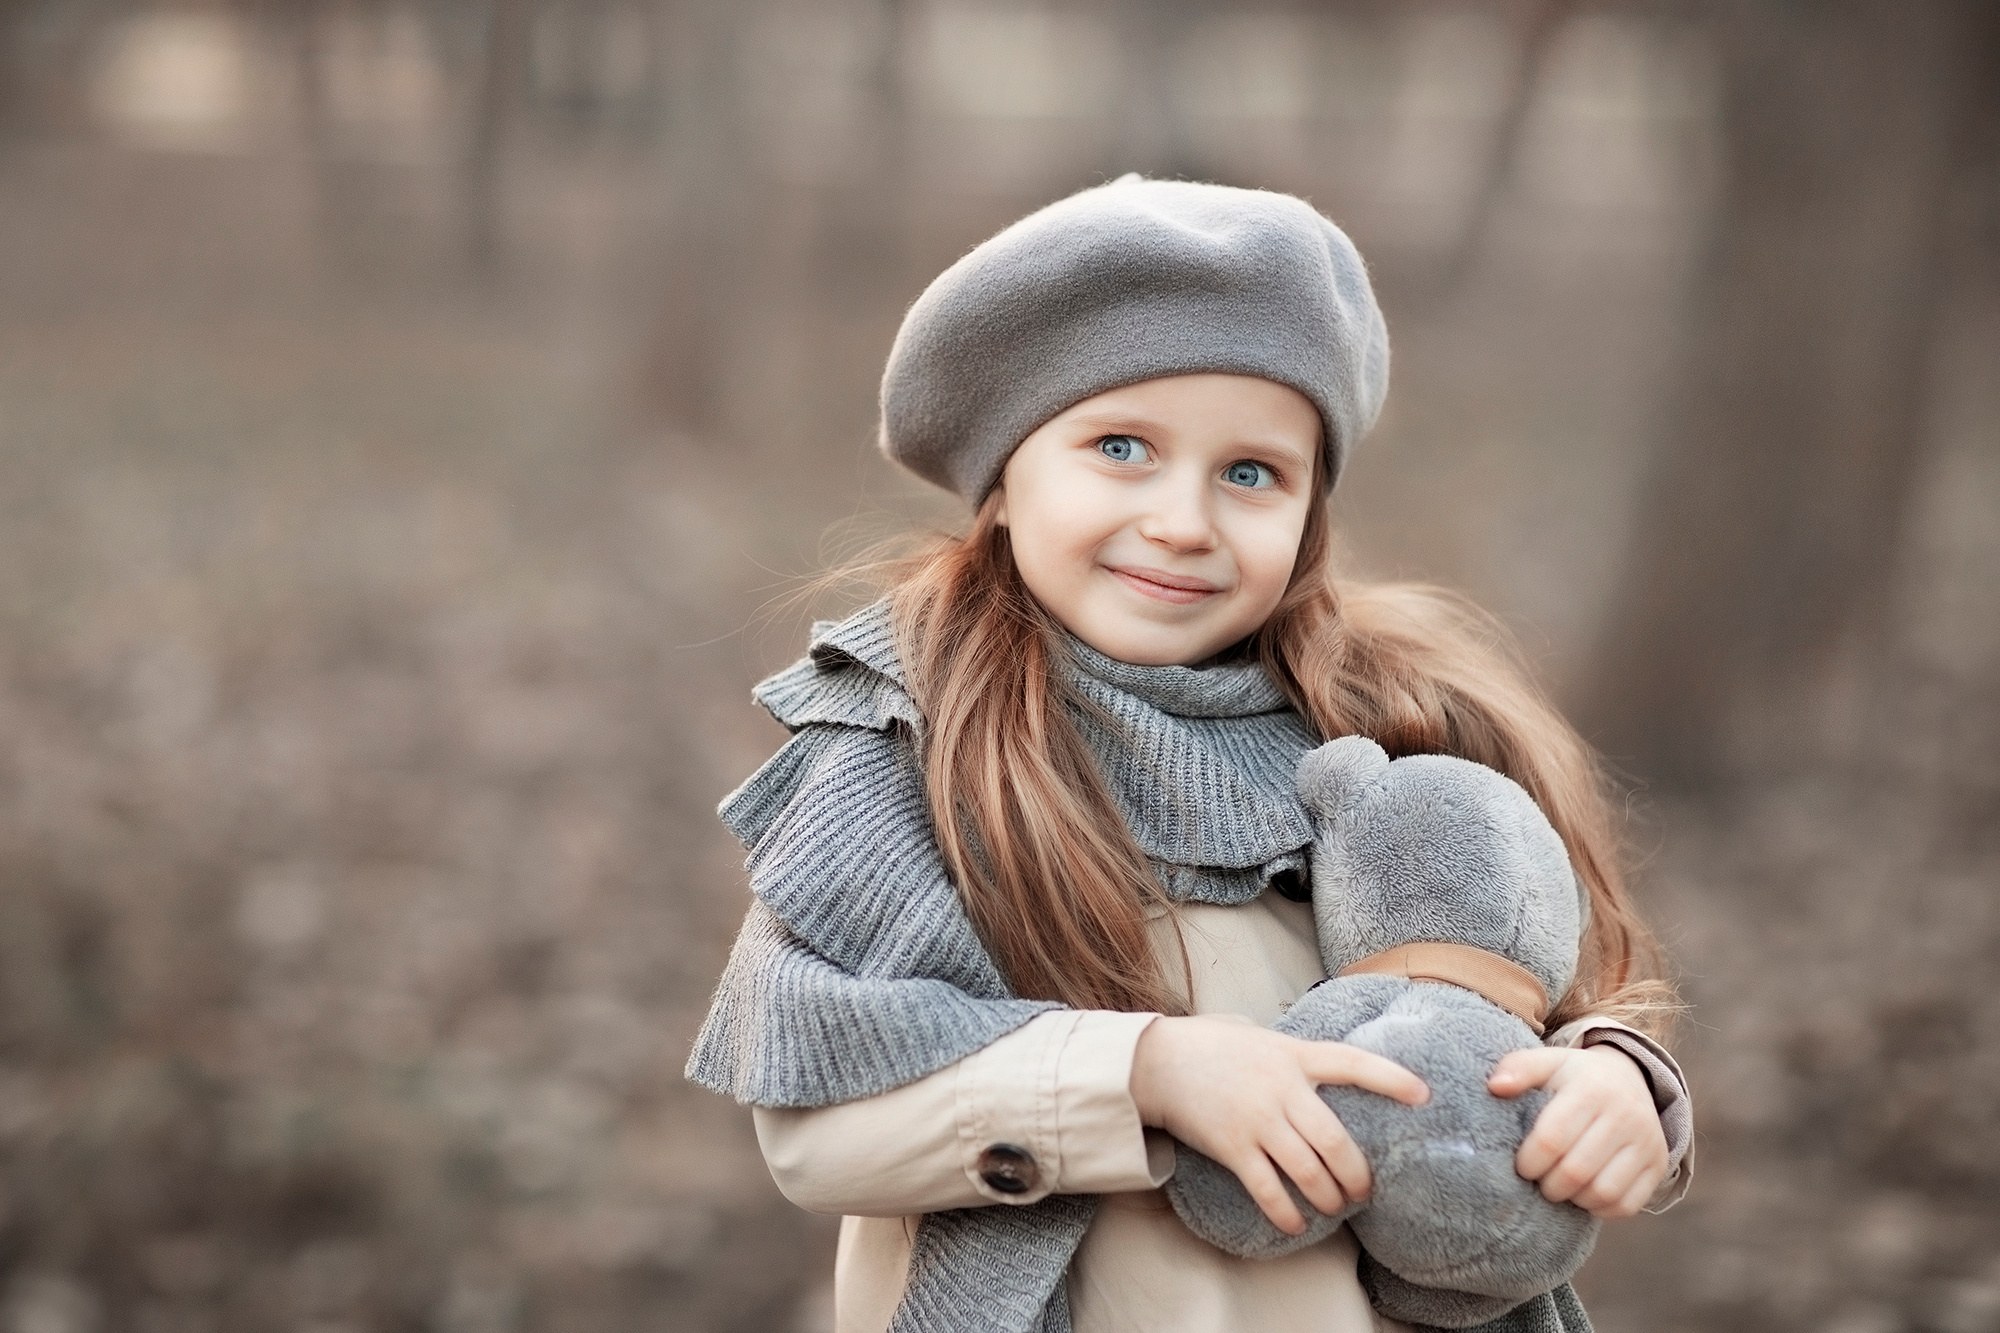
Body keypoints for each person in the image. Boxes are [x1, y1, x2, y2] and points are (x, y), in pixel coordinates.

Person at [686, 176, 1692, 1333]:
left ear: (1310, 508)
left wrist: (1618, 1084)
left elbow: (1531, 994)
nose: (1182, 519)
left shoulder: (1394, 726)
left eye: (1250, 473)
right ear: (1002, 480)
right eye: (1120, 446)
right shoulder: (900, 752)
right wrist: (1143, 1076)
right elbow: (815, 1132)